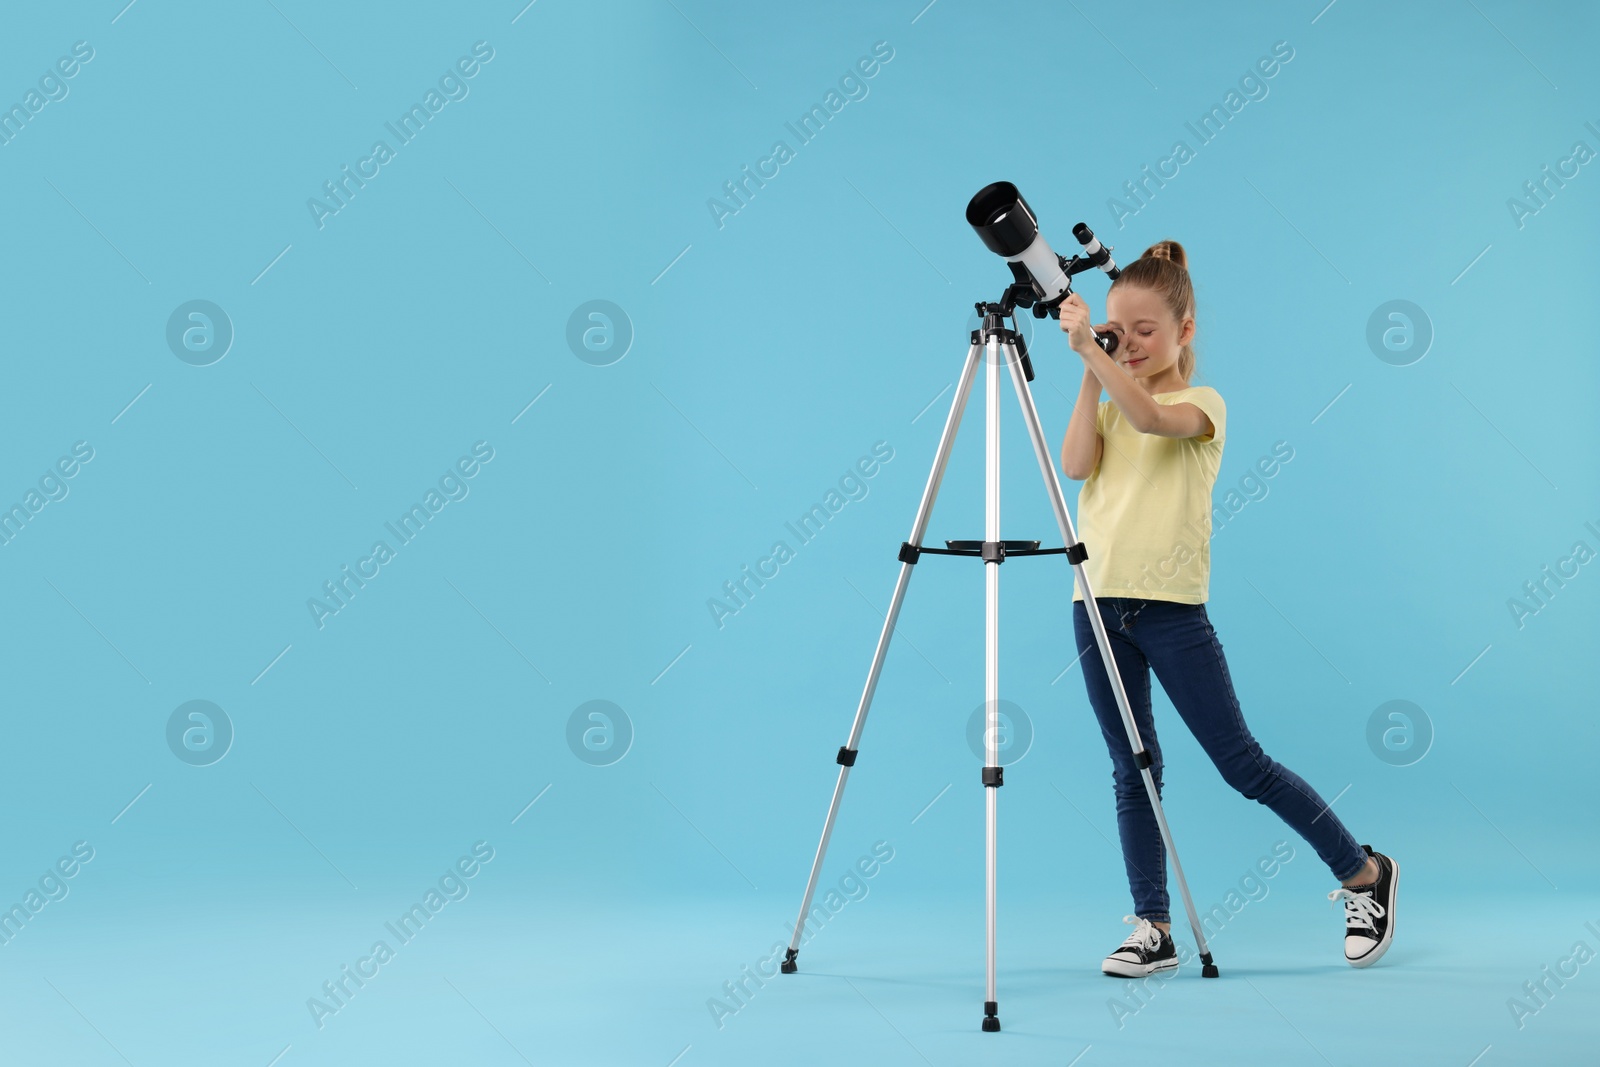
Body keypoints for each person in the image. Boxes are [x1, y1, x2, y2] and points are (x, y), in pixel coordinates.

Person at [1055, 240, 1398, 978]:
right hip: (1096, 607)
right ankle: (1153, 926)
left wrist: (1096, 354)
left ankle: (1364, 873)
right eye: (1121, 330)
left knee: (1242, 765)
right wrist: (1091, 364)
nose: (1132, 344)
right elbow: (1076, 463)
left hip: (1172, 613)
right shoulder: (1114, 395)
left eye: (1147, 330)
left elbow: (1148, 418)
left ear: (1185, 331)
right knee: (1133, 768)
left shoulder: (1198, 406)